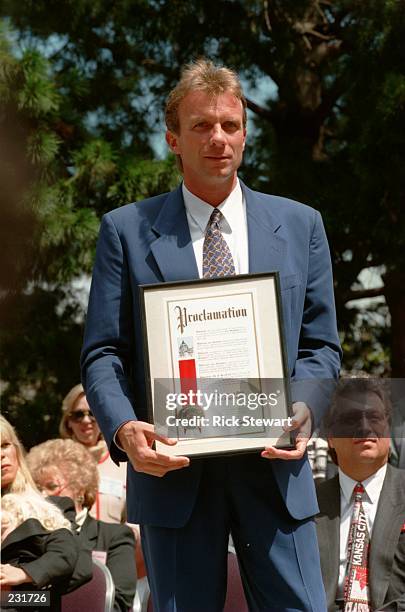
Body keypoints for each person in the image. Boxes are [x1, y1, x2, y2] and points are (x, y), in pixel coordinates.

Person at [81, 58, 342, 611]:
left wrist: (303, 408)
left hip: (276, 468)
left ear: (245, 132)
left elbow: (320, 347)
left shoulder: (300, 225)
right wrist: (125, 427)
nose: (218, 138)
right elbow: (104, 352)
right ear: (173, 139)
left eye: (230, 124)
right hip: (173, 473)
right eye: (201, 125)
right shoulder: (126, 231)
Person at [316, 378, 405, 611]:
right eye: (351, 419)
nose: (365, 427)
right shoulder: (308, 507)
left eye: (374, 418)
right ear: (331, 437)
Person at [26, 438, 137, 612]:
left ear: (81, 489)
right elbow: (12, 599)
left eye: (52, 486)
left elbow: (119, 602)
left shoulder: (114, 536)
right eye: (37, 488)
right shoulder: (28, 538)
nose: (43, 495)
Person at [0, 416, 85, 610]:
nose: (1, 455)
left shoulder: (54, 507)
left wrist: (24, 573)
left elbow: (66, 558)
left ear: (16, 450)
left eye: (5, 445)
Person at [59, 383, 127, 524]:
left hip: (114, 544)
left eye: (93, 413)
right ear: (68, 422)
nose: (86, 420)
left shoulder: (123, 462)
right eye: (78, 415)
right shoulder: (55, 460)